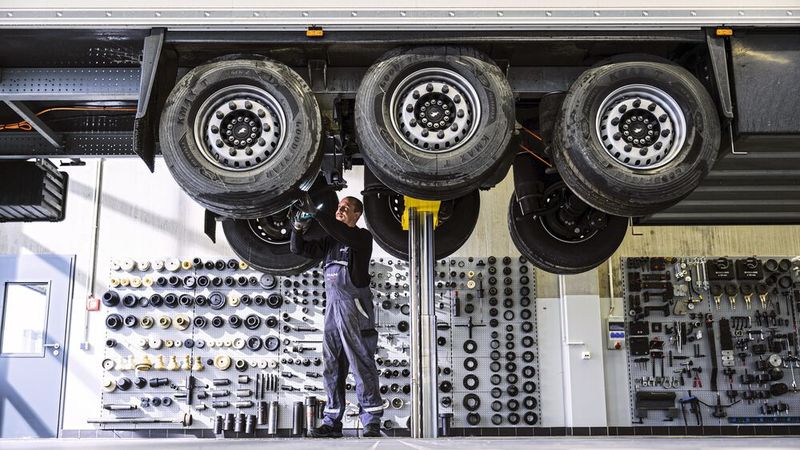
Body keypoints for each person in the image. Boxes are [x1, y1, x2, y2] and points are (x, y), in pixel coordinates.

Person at [290, 193, 383, 438]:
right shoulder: (329, 242)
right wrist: (297, 227)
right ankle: (332, 421)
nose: (340, 210)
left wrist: (318, 213)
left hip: (355, 308)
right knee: (332, 364)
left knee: (360, 361)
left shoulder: (362, 238)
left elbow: (343, 233)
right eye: (339, 207)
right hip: (332, 309)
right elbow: (297, 248)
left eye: (346, 207)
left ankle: (371, 419)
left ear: (357, 214)